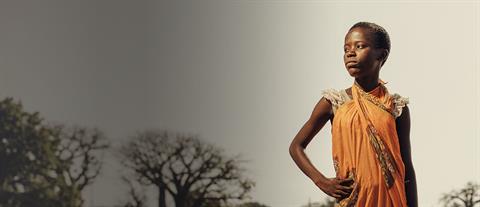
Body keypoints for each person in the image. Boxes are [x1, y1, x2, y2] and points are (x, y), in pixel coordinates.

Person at [289, 22, 418, 207]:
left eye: (360, 46)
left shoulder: (396, 107)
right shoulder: (335, 101)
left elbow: (407, 167)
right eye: (346, 48)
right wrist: (321, 181)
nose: (350, 53)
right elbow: (296, 147)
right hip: (353, 200)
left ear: (381, 55)